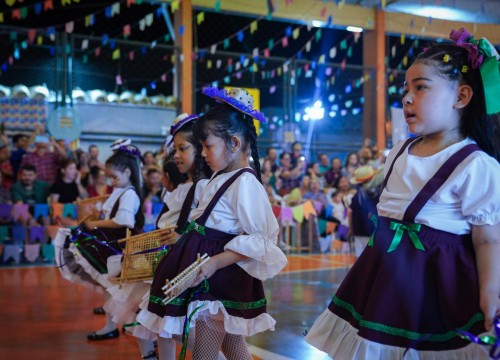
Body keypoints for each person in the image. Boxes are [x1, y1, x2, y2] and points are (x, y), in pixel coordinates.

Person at [306, 28, 500, 359]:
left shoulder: (477, 164)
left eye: (421, 87)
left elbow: (487, 240)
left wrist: (490, 291)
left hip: (437, 282)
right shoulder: (401, 149)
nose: (407, 98)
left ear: (461, 97)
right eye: (406, 88)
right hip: (382, 274)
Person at [138, 87, 287, 360]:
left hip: (219, 278)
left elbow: (263, 239)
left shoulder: (245, 182)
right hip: (206, 271)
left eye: (208, 146)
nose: (203, 153)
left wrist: (216, 262)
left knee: (205, 353)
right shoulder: (218, 177)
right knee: (232, 345)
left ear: (233, 143)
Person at [70, 145, 145, 341]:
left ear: (128, 172)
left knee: (117, 288)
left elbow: (123, 221)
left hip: (118, 246)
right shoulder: (120, 190)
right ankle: (112, 324)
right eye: (109, 177)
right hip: (111, 244)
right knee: (109, 286)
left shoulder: (129, 194)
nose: (111, 181)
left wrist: (94, 223)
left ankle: (121, 324)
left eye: (114, 177)